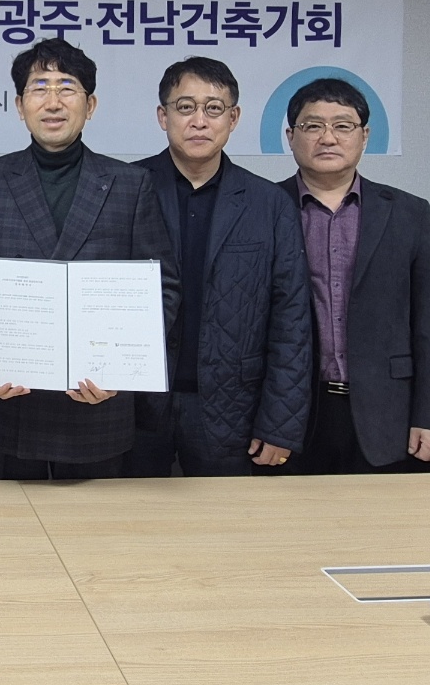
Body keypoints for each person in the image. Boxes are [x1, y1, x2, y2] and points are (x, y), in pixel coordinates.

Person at [0, 39, 180, 480]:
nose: (53, 102)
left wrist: (122, 370)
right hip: (13, 403)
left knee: (94, 523)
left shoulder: (129, 184)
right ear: (20, 106)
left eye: (67, 88)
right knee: (12, 522)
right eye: (39, 88)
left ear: (90, 105)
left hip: (99, 404)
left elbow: (162, 289)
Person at [127, 57, 311, 476]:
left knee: (224, 517)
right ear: (163, 116)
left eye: (213, 108)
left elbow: (291, 320)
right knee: (129, 515)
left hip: (232, 407)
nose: (199, 121)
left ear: (234, 118)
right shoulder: (125, 188)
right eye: (185, 107)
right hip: (134, 403)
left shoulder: (268, 204)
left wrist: (280, 422)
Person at [276, 77, 430, 472]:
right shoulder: (263, 207)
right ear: (291, 137)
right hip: (290, 416)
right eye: (313, 126)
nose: (328, 137)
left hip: (391, 414)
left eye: (343, 126)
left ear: (365, 136)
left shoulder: (408, 213)